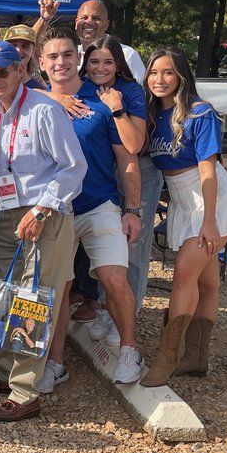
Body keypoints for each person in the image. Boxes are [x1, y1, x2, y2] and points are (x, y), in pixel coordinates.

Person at [0, 41, 87, 422]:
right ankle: (6, 372)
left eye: (3, 71)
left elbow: (73, 168)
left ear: (21, 70)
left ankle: (25, 391)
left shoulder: (45, 109)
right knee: (5, 290)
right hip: (6, 211)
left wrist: (40, 210)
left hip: (44, 212)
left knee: (34, 297)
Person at [40, 27, 144, 387]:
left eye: (67, 55)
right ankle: (55, 363)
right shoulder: (33, 102)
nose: (61, 62)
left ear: (77, 58)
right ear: (42, 63)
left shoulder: (103, 100)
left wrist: (133, 209)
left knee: (115, 278)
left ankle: (130, 349)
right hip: (54, 211)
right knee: (60, 289)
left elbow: (128, 159)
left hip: (99, 204)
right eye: (52, 56)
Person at [140, 48, 227, 387]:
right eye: (153, 72)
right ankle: (197, 358)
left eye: (168, 72)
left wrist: (210, 221)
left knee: (184, 275)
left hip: (209, 198)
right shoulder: (153, 114)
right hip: (182, 199)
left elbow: (208, 170)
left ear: (181, 76)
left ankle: (167, 358)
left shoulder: (200, 114)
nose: (159, 79)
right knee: (206, 282)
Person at [72, 36, 151, 328]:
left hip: (126, 171)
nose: (100, 68)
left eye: (108, 62)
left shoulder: (129, 91)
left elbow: (134, 146)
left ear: (118, 65)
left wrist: (116, 108)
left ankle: (114, 316)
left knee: (122, 251)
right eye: (94, 61)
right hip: (90, 178)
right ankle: (92, 302)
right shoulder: (79, 89)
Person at [34, 0, 147, 83]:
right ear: (76, 23)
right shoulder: (70, 54)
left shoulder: (127, 55)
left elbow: (141, 94)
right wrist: (45, 19)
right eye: (84, 18)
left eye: (96, 18)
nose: (89, 22)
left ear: (106, 24)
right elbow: (30, 49)